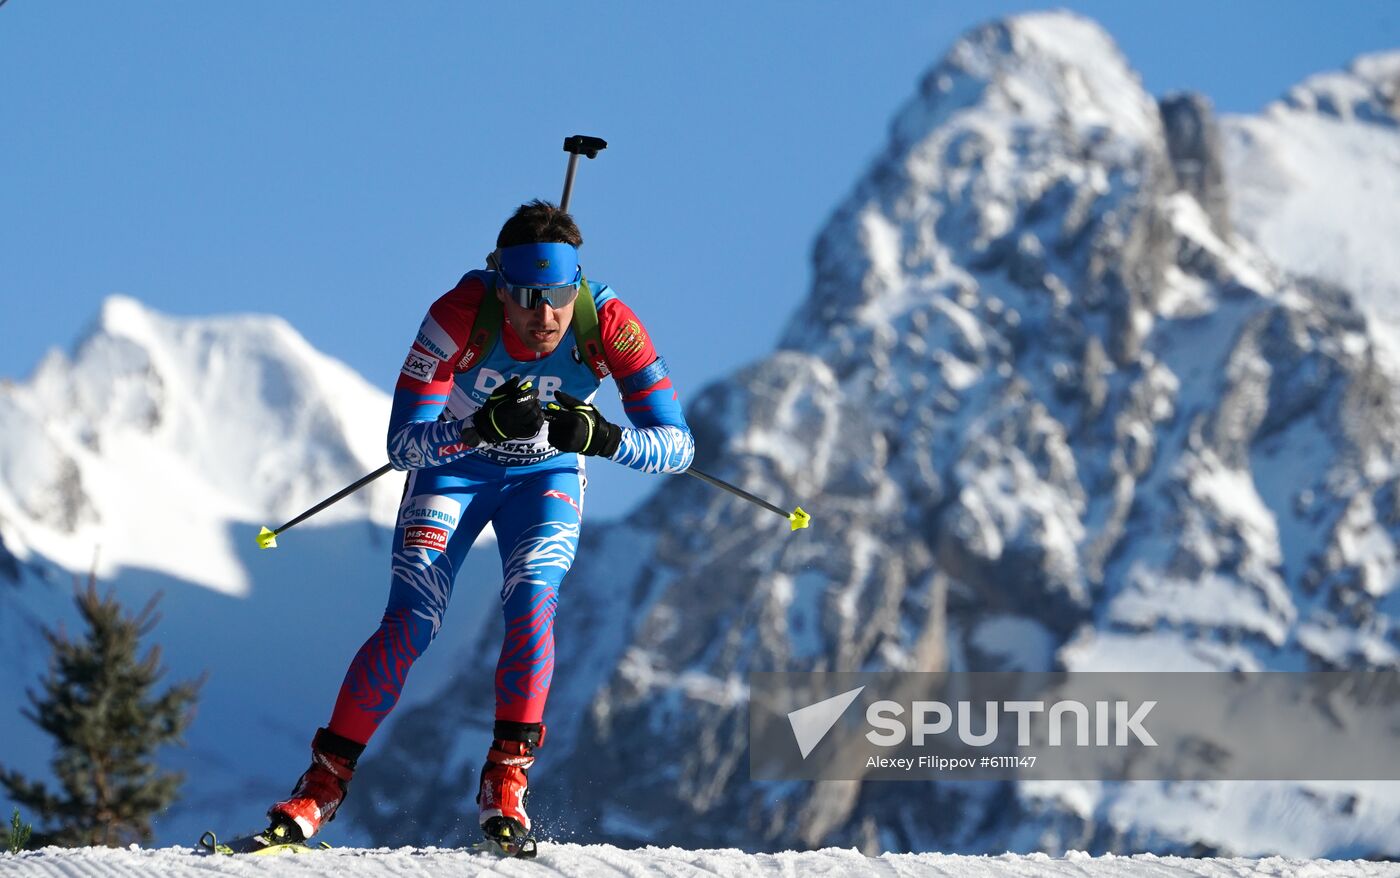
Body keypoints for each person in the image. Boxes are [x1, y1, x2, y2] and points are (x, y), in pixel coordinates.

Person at [263, 200, 695, 850]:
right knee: (410, 623)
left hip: (543, 479)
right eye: (525, 297)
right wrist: (476, 427)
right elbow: (404, 446)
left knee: (531, 602)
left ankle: (507, 781)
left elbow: (678, 446)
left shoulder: (607, 323)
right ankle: (321, 788)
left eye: (557, 296)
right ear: (500, 286)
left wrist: (604, 438)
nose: (543, 316)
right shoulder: (457, 316)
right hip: (455, 473)